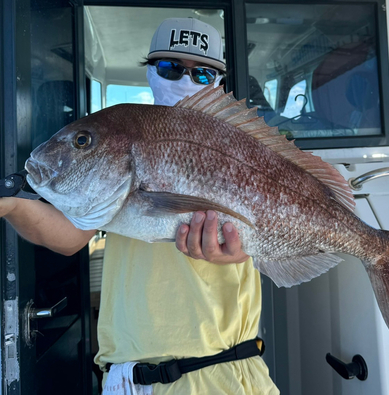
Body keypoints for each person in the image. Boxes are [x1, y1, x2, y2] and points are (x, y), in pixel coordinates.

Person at [0, 17, 279, 394]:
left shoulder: (247, 144)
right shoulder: (123, 142)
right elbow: (69, 237)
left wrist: (241, 251)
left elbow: (278, 226)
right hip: (129, 379)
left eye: (202, 74)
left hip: (221, 375)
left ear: (219, 82)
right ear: (151, 71)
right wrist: (11, 206)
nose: (184, 80)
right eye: (170, 67)